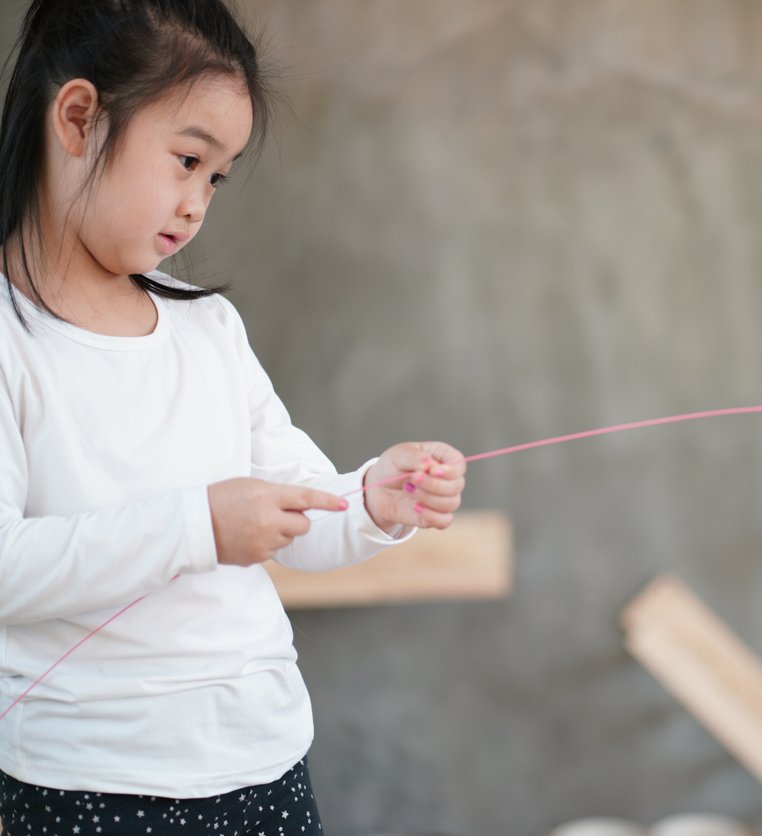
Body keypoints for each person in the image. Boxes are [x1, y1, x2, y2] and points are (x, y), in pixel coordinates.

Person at [0, 1, 467, 832]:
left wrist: (369, 501)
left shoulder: (206, 326)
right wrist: (198, 527)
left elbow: (292, 502)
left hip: (265, 760)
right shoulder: (12, 339)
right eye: (185, 159)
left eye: (215, 175)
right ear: (77, 118)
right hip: (88, 784)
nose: (197, 201)